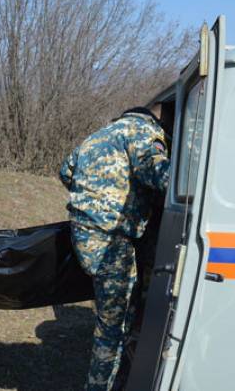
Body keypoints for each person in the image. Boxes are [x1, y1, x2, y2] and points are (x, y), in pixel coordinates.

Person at [59, 104, 170, 391]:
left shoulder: (99, 135)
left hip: (84, 234)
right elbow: (162, 177)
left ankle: (118, 377)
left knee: (116, 312)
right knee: (113, 326)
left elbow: (65, 170)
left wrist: (94, 196)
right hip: (112, 241)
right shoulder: (144, 132)